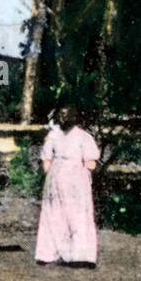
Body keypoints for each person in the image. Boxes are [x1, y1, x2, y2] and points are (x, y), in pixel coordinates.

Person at [35, 104, 100, 267]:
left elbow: (91, 162)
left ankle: (81, 256)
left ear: (75, 117)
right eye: (60, 114)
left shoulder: (84, 137)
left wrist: (78, 174)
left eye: (67, 114)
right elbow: (47, 159)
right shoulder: (53, 136)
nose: (63, 118)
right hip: (55, 179)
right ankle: (47, 253)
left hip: (76, 180)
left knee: (78, 215)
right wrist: (51, 176)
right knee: (52, 214)